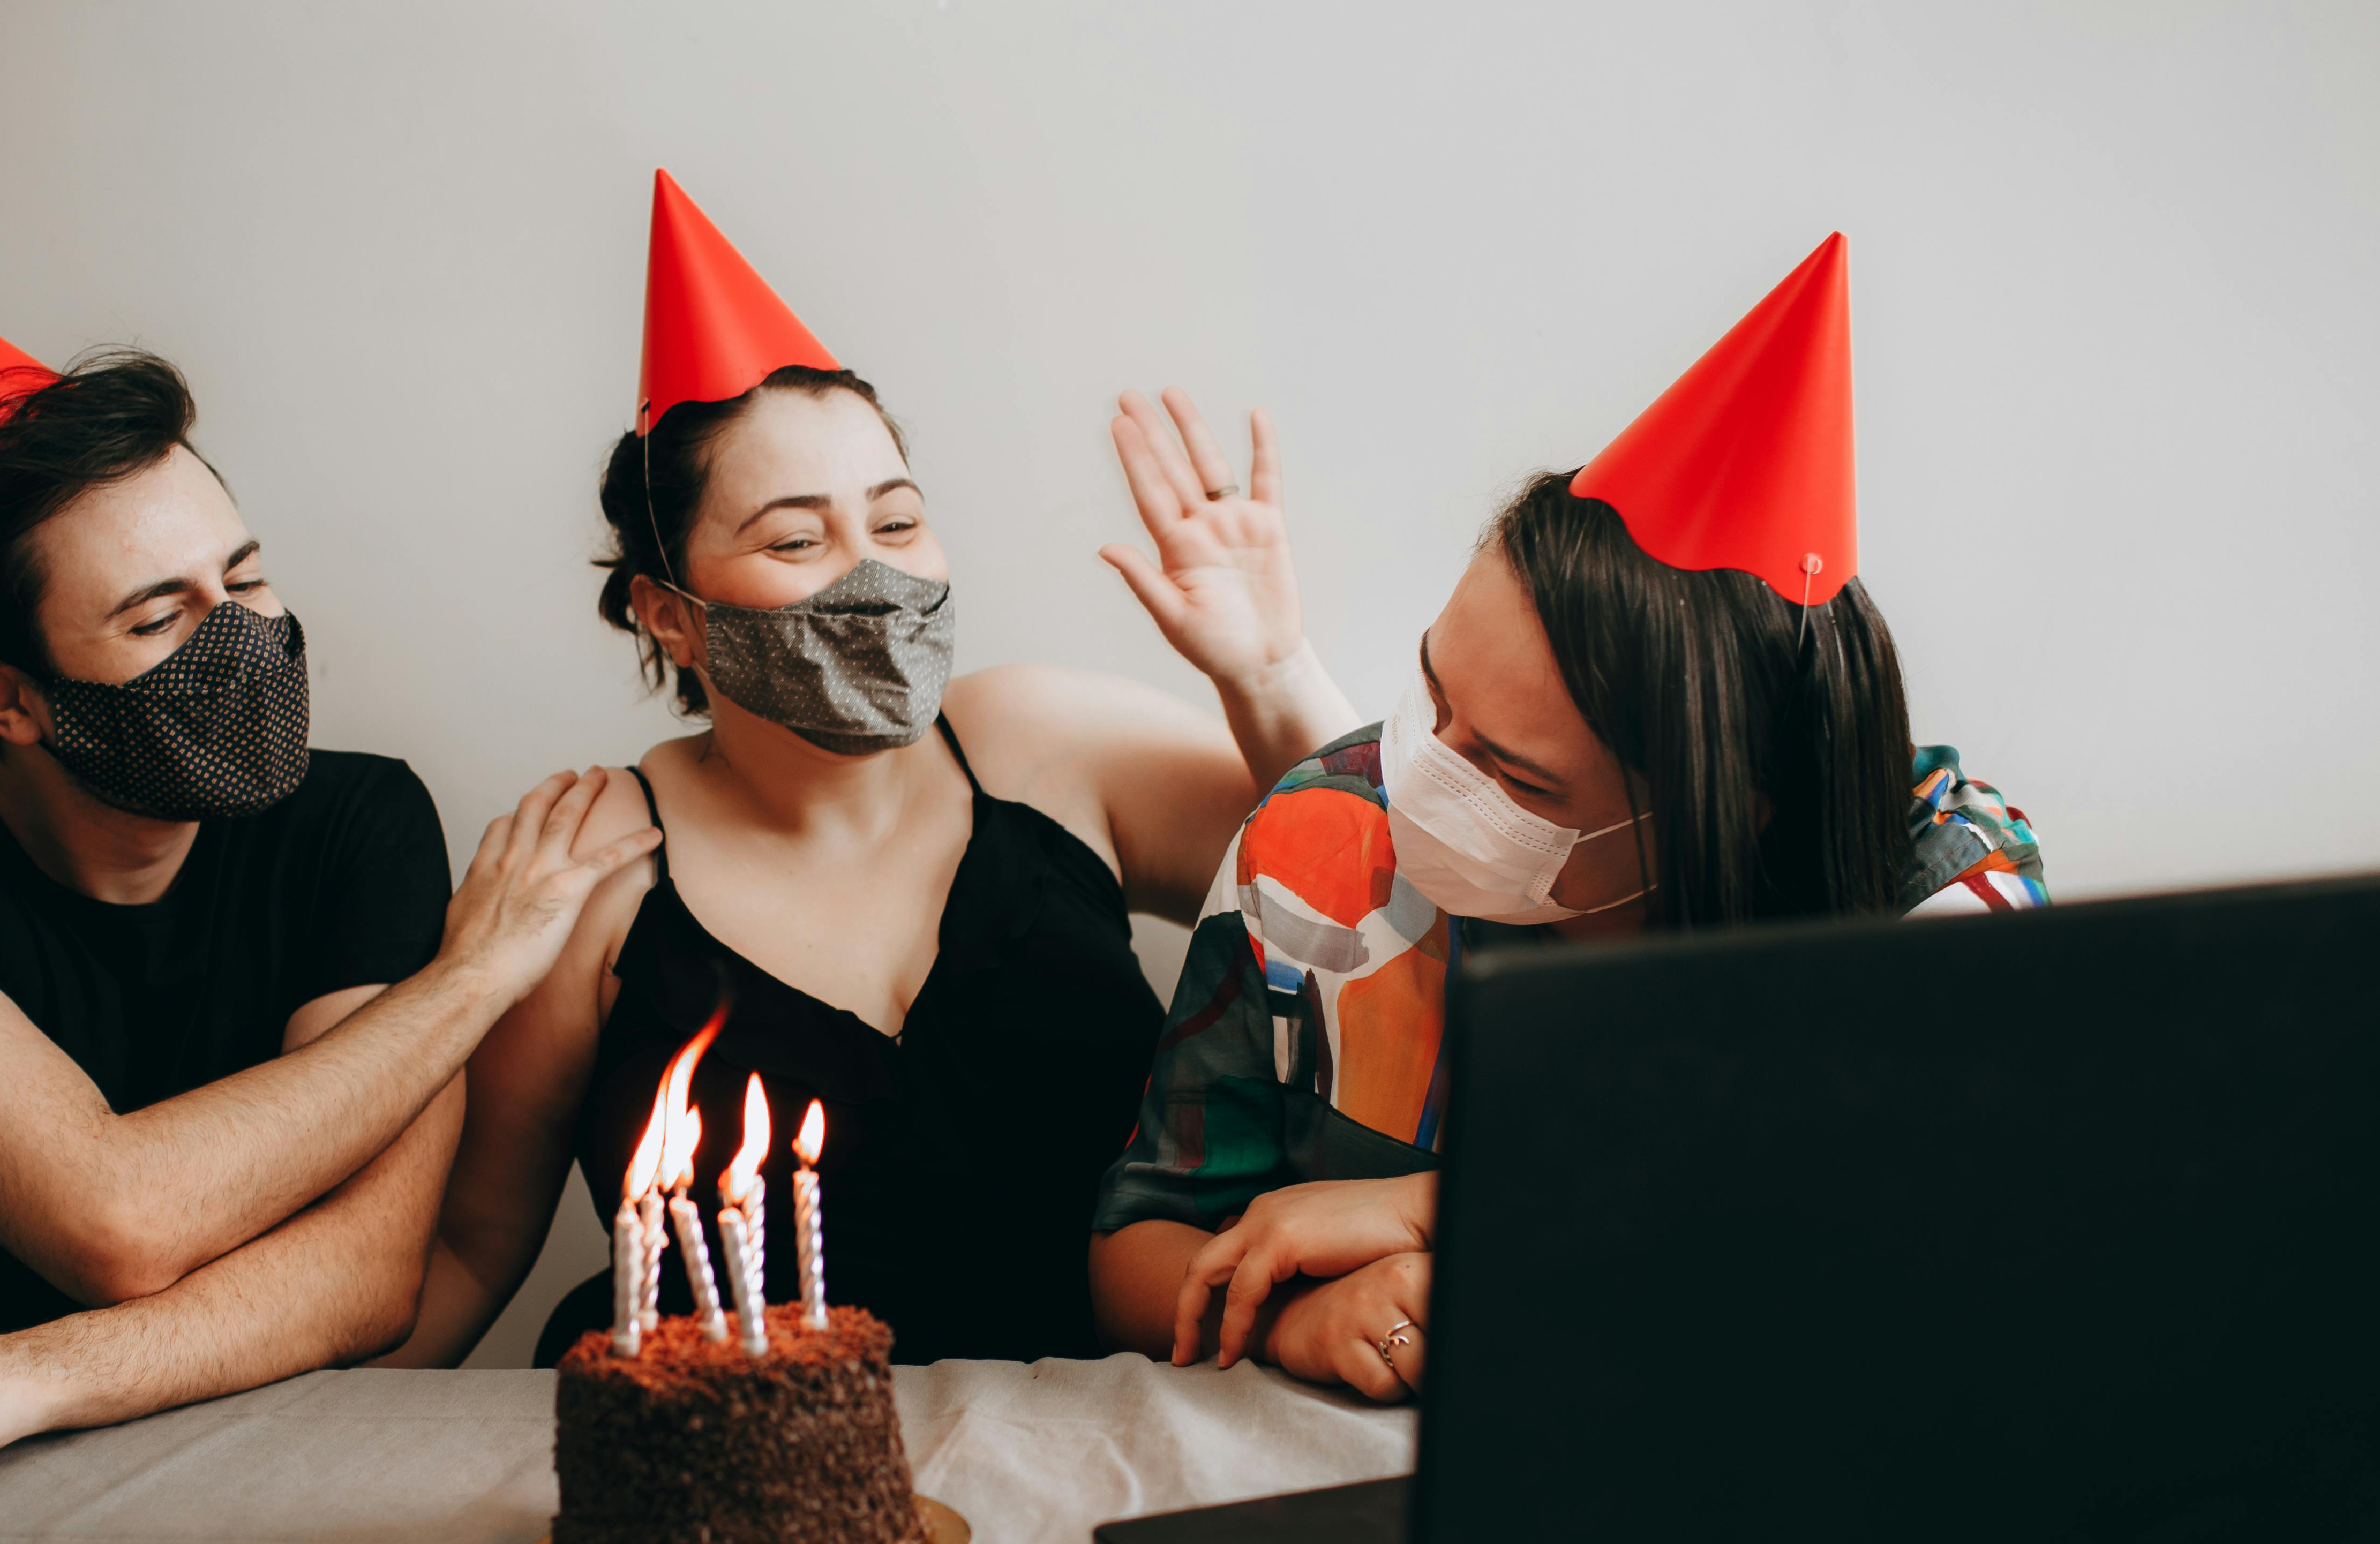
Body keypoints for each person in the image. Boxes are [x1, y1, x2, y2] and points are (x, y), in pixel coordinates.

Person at [0, 251, 655, 1463]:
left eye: (247, 578)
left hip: (240, 1471)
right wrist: (469, 980)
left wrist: (11, 1376)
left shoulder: (356, 820)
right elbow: (118, 1218)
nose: (247, 642)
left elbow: (370, 1278)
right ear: (5, 697)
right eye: (159, 618)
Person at [422, 171, 1361, 1365]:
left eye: (900, 521)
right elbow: (465, 1252)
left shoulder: (1041, 743)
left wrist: (1272, 669)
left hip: (1113, 1445)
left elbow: (1370, 896)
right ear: (673, 617)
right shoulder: (595, 865)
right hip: (752, 1491)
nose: (873, 574)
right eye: (799, 540)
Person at [1088, 235, 2047, 1402]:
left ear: (1729, 812)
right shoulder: (1319, 852)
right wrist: (1303, 1316)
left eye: (1519, 778)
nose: (1421, 777)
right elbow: (1135, 1252)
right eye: (1432, 692)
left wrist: (1430, 1209)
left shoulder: (1941, 873)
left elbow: (1897, 1195)